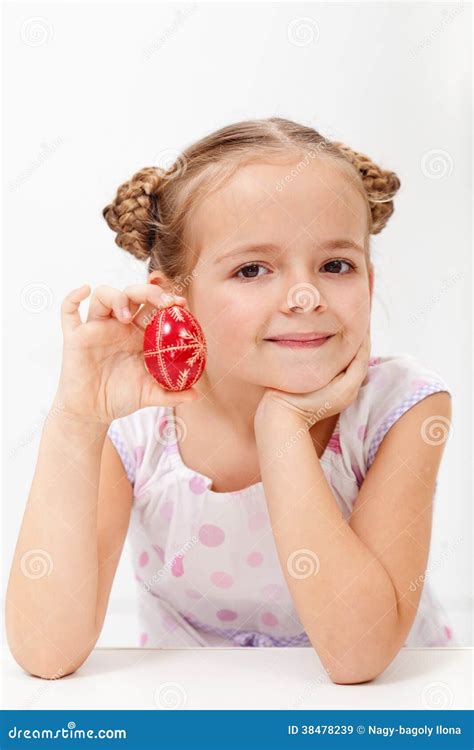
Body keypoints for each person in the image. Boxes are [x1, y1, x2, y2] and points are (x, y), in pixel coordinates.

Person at [6, 117, 454, 685]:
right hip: (197, 706)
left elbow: (358, 657)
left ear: (369, 277)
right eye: (252, 269)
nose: (305, 295)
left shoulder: (401, 407)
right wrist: (77, 419)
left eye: (336, 265)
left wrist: (284, 428)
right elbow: (46, 653)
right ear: (174, 296)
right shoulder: (141, 426)